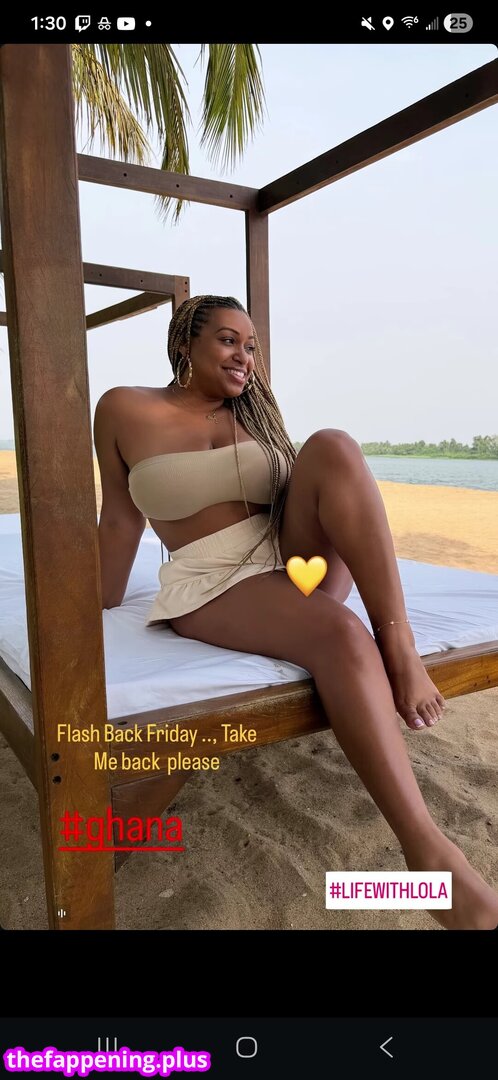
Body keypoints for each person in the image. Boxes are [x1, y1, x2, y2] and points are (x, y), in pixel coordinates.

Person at [95, 294, 498, 930]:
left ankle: (397, 643)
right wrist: (97, 603)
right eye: (229, 339)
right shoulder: (123, 407)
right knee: (339, 634)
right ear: (186, 341)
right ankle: (429, 855)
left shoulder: (253, 416)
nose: (244, 356)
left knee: (333, 443)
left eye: (252, 346)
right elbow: (120, 519)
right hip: (212, 580)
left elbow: (315, 492)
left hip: (292, 559)